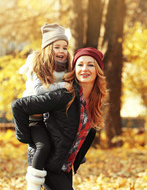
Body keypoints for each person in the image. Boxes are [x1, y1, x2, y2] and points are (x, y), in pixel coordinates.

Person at [12, 47, 107, 190]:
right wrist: (26, 138)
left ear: (98, 70)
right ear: (74, 69)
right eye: (80, 64)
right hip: (47, 164)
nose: (84, 69)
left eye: (90, 65)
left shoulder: (93, 102)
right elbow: (19, 106)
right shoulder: (65, 96)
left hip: (64, 167)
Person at [18, 22, 72, 190]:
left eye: (65, 47)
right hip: (34, 119)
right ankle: (33, 185)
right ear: (48, 48)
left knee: (60, 146)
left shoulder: (65, 68)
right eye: (57, 47)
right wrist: (62, 86)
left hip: (51, 119)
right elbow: (38, 91)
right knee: (44, 146)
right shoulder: (38, 64)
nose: (62, 51)